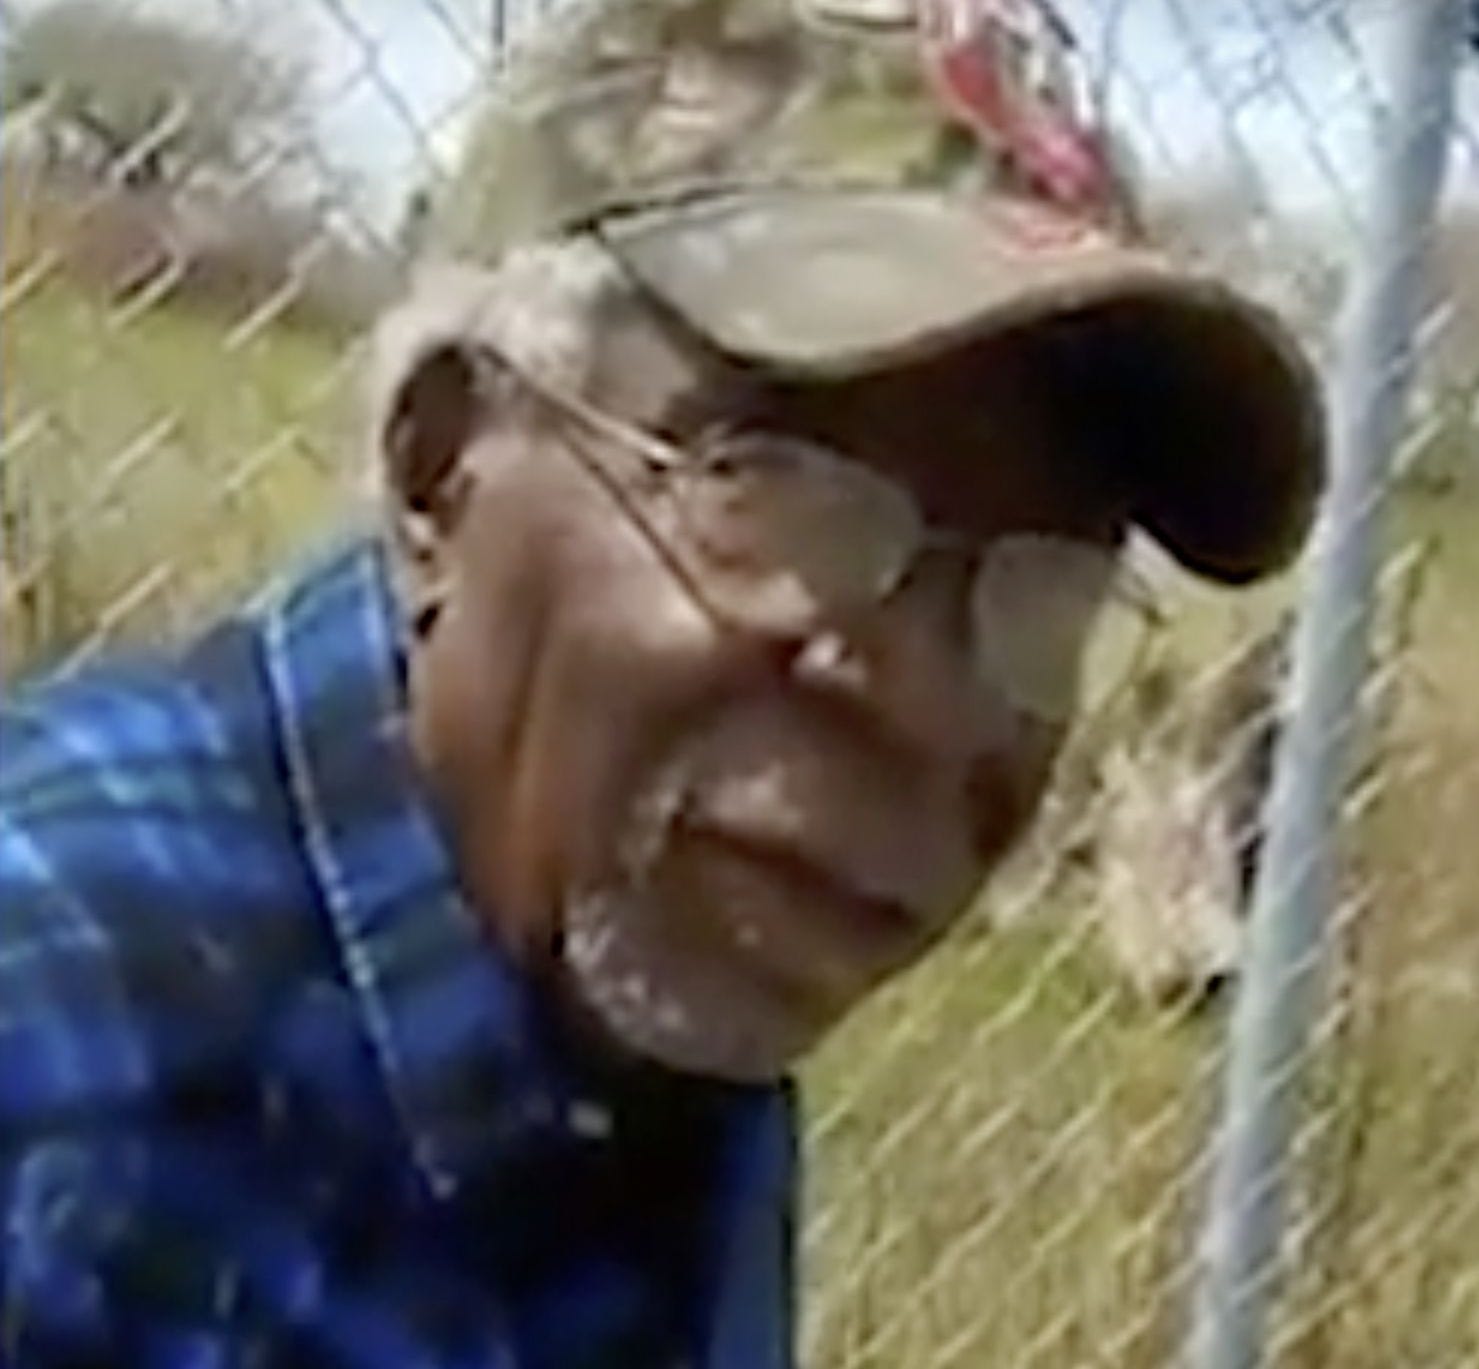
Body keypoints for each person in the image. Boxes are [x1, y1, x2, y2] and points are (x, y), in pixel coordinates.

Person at [0, 183, 1324, 1367]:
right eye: (778, 497)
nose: (931, 704)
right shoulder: (62, 1049)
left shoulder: (646, 987)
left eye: (1048, 593)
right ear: (440, 466)